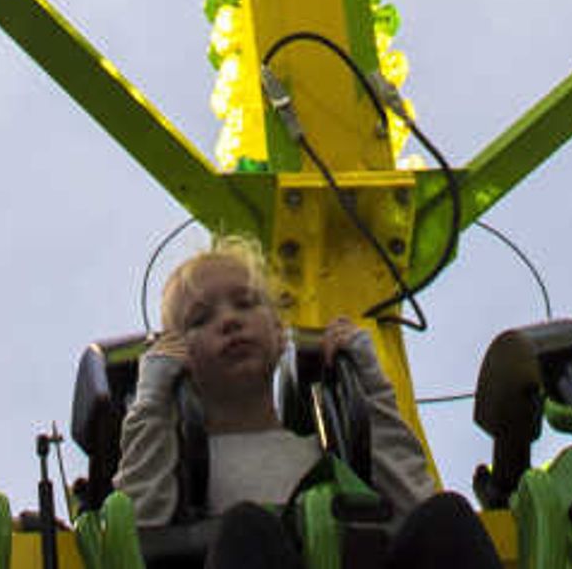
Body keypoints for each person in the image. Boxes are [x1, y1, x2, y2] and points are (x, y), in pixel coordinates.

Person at [124, 242, 497, 569]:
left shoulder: (329, 456)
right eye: (201, 319)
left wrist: (368, 384)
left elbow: (413, 504)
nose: (230, 321)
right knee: (247, 529)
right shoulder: (179, 470)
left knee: (447, 515)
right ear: (176, 353)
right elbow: (136, 539)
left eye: (245, 303)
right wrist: (153, 398)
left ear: (279, 331)